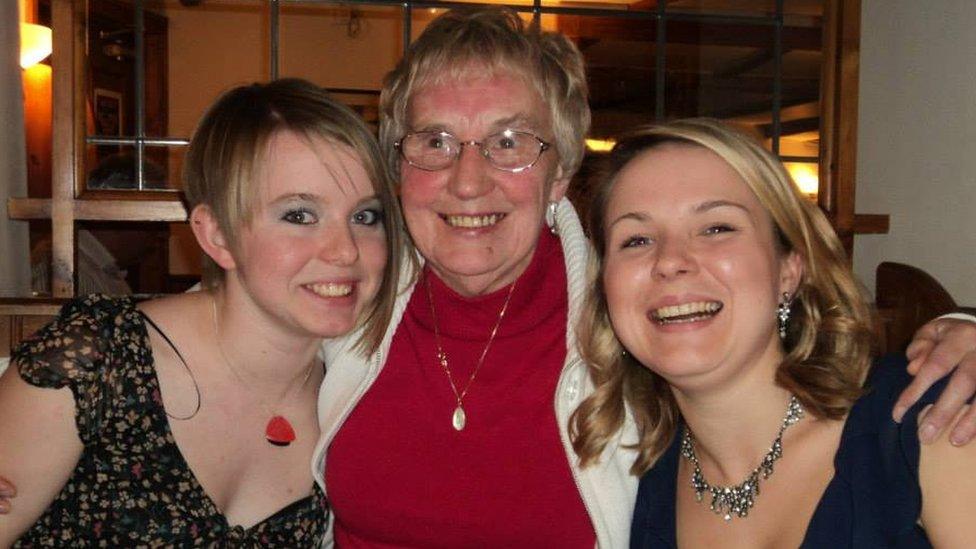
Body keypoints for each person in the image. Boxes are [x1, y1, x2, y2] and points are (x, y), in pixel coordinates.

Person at [311, 7, 976, 547]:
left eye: (510, 141)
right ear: (398, 166)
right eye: (435, 141)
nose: (467, 176)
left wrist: (962, 331)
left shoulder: (616, 335)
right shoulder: (340, 298)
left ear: (561, 172)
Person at [0, 78, 404, 545]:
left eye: (365, 216)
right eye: (299, 215)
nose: (346, 251)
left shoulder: (351, 401)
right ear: (216, 236)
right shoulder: (97, 361)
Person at [571, 118, 976, 547]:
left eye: (716, 228)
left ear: (789, 269)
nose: (670, 261)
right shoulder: (627, 492)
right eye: (636, 240)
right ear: (605, 289)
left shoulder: (926, 420)